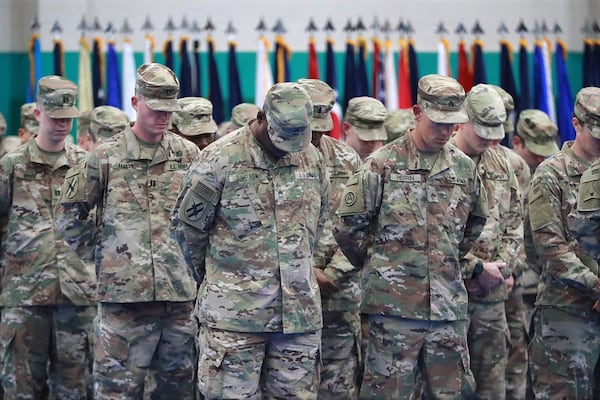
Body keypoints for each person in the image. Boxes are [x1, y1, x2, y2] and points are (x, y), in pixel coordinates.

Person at [334, 74, 491, 399]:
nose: (446, 132)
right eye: (438, 123)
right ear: (418, 112)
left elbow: (473, 224)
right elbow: (349, 227)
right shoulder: (381, 164)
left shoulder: (463, 168)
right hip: (394, 310)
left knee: (453, 393)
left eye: (452, 124)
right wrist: (383, 264)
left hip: (447, 309)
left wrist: (445, 259)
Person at [172, 82, 328, 399]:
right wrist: (222, 281)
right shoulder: (218, 160)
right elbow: (187, 233)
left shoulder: (310, 157)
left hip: (298, 318)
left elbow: (319, 220)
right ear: (261, 118)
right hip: (234, 319)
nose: (287, 147)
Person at [55, 63, 200, 399]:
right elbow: (68, 213)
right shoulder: (104, 157)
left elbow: (204, 217)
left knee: (177, 389)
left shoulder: (188, 154)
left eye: (169, 109)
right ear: (136, 103)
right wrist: (102, 255)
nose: (163, 117)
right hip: (123, 304)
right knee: (117, 391)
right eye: (155, 108)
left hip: (178, 298)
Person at [0, 75, 95, 399]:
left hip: (77, 295)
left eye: (68, 119)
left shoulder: (85, 166)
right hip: (25, 297)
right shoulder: (12, 165)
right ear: (38, 113)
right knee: (22, 389)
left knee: (74, 388)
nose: (61, 125)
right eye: (55, 118)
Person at [451, 83, 523, 400]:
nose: (491, 140)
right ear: (462, 120)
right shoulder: (442, 163)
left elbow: (514, 223)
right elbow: (428, 237)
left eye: (496, 132)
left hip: (491, 299)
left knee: (491, 387)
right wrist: (474, 270)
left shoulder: (501, 164)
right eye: (482, 131)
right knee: (447, 386)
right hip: (449, 296)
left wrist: (500, 272)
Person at [527, 87, 600, 399]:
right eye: (595, 133)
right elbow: (548, 246)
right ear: (576, 123)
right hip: (567, 315)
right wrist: (596, 285)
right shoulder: (551, 174)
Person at [297, 78, 363, 399]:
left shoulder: (348, 160)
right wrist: (305, 272)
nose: (318, 135)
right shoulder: (278, 157)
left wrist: (333, 273)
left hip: (339, 294)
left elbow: (363, 225)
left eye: (324, 126)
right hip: (290, 296)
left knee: (337, 386)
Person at [342, 96, 387, 160]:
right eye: (365, 139)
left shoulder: (388, 165)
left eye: (377, 139)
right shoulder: (329, 164)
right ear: (347, 128)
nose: (372, 145)